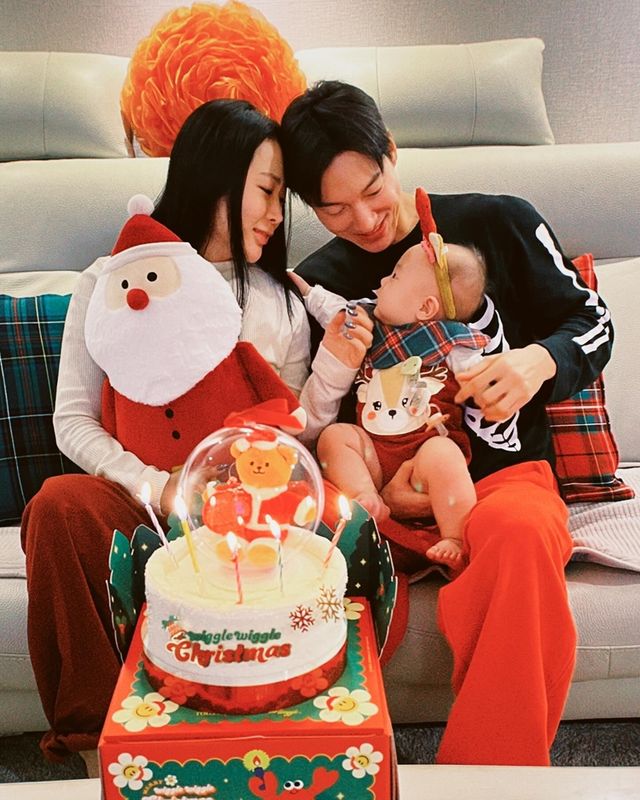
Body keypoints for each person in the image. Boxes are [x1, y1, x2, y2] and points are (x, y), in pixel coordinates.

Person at [20, 98, 371, 768]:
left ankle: (290, 729)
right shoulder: (116, 277)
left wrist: (335, 366)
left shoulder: (278, 298)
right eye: (267, 191)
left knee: (335, 519)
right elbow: (73, 421)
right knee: (58, 508)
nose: (276, 214)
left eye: (282, 197)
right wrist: (159, 484)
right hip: (144, 502)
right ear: (217, 178)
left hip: (252, 510)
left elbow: (297, 431)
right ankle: (95, 751)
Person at [280, 80, 614, 766]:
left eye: (373, 190)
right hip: (376, 491)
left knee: (521, 536)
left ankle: (488, 779)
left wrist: (538, 362)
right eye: (334, 209)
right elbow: (318, 419)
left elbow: (593, 321)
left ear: (392, 153)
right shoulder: (321, 283)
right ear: (309, 205)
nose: (365, 220)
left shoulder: (498, 223)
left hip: (500, 481)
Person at [292, 188, 490, 568]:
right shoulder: (367, 321)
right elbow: (330, 308)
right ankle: (366, 498)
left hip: (423, 458)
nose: (382, 281)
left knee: (445, 455)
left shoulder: (454, 344)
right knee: (336, 436)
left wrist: (492, 387)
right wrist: (301, 286)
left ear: (426, 307)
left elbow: (482, 378)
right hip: (374, 458)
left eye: (395, 276)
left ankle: (455, 535)